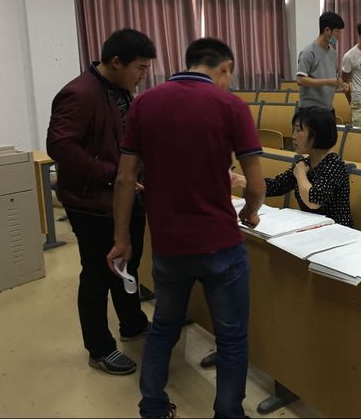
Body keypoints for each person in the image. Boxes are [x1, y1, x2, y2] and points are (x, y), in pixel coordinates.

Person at [107, 38, 265, 419]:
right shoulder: (232, 106)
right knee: (232, 337)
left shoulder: (144, 103)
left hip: (169, 245)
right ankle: (228, 413)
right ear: (225, 67)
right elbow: (256, 185)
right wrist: (251, 212)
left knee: (163, 327)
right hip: (221, 245)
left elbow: (125, 179)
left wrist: (122, 238)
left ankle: (153, 407)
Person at [46, 28, 156, 375]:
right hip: (92, 202)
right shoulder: (79, 93)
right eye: (140, 68)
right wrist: (112, 175)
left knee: (127, 265)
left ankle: (132, 323)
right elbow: (60, 146)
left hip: (126, 196)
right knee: (97, 274)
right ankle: (99, 347)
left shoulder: (120, 90)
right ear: (116, 62)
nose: (143, 75)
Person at [231, 107, 353, 227]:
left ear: (317, 134)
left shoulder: (334, 164)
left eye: (298, 130)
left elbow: (314, 201)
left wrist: (300, 174)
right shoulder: (305, 163)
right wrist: (240, 180)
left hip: (337, 230)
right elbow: (276, 186)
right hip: (312, 227)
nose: (293, 136)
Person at [296, 11, 350, 110]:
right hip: (310, 109)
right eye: (337, 32)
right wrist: (328, 82)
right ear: (327, 30)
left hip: (328, 108)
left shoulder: (332, 53)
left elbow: (334, 78)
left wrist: (341, 84)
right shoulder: (308, 52)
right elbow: (300, 80)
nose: (339, 36)